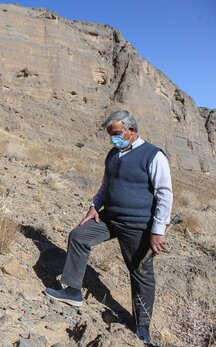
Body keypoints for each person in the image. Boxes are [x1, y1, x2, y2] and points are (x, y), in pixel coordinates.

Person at [45, 110, 173, 345]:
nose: (113, 139)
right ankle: (73, 290)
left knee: (140, 273)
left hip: (138, 225)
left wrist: (158, 230)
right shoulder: (114, 154)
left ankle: (142, 328)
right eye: (111, 135)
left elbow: (164, 193)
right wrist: (94, 206)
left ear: (131, 131)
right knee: (79, 236)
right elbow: (105, 186)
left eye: (116, 134)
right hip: (109, 218)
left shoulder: (153, 155)